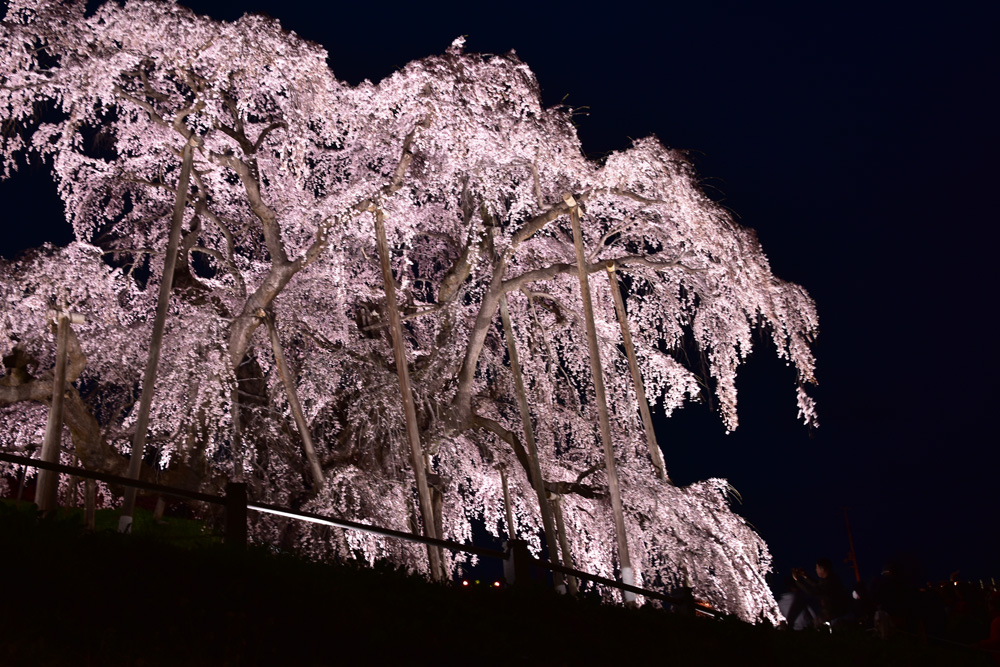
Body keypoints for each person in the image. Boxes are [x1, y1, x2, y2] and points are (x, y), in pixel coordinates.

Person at [792, 557, 853, 629]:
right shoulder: (831, 579)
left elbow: (813, 591)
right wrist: (805, 576)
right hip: (839, 616)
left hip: (838, 618)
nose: (816, 570)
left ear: (822, 569)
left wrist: (797, 580)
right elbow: (817, 585)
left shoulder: (829, 583)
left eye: (817, 568)